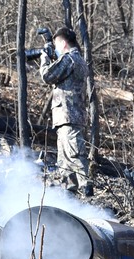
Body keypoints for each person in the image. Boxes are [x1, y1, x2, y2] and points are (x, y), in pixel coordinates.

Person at [39, 27, 93, 197]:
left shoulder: (70, 59)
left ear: (63, 43)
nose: (55, 48)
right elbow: (58, 69)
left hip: (69, 117)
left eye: (56, 44)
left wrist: (44, 57)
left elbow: (47, 75)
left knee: (75, 157)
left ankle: (86, 191)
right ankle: (69, 197)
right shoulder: (74, 59)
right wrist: (49, 44)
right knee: (65, 163)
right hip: (68, 117)